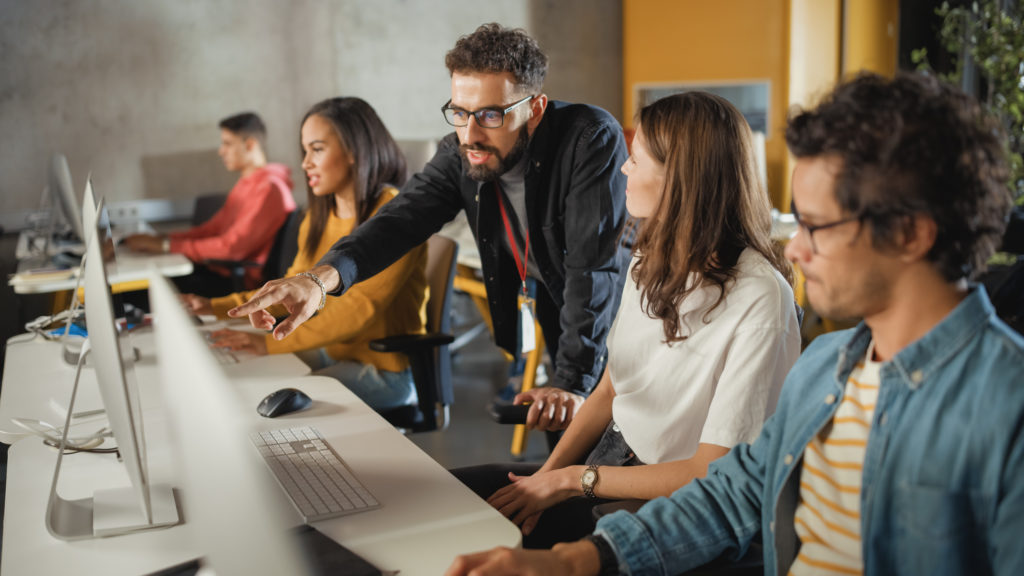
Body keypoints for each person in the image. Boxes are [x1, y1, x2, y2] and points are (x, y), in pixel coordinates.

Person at [446, 72, 1024, 576]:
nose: (794, 249)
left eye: (815, 227)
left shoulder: (1005, 409)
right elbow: (731, 495)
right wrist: (568, 563)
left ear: (909, 233)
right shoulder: (828, 368)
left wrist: (572, 491)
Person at [228, 23, 631, 431]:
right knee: (561, 429)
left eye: (491, 115)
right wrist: (318, 281)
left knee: (619, 434)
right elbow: (397, 222)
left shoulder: (589, 139)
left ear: (535, 110)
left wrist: (572, 380)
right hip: (556, 301)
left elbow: (591, 269)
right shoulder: (461, 154)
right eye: (459, 112)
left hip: (626, 309)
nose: (470, 135)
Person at [452, 92, 802, 549]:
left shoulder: (759, 298)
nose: (623, 169)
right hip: (608, 461)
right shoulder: (651, 258)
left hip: (667, 503)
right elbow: (610, 390)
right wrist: (543, 477)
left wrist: (568, 482)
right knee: (446, 499)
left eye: (635, 159)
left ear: (678, 177)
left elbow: (711, 473)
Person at [185, 98, 428, 411]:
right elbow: (294, 284)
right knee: (240, 376)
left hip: (385, 371)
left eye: (317, 149)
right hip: (332, 350)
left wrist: (268, 342)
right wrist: (216, 307)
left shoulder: (394, 216)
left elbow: (355, 312)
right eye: (305, 151)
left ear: (354, 151)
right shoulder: (320, 216)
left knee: (262, 401)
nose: (305, 163)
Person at [122, 112, 295, 297]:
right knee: (137, 282)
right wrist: (162, 238)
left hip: (233, 283)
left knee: (134, 291)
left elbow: (232, 248)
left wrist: (167, 246)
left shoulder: (269, 189)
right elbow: (211, 229)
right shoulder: (247, 183)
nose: (221, 151)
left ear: (250, 144)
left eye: (227, 143)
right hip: (216, 269)